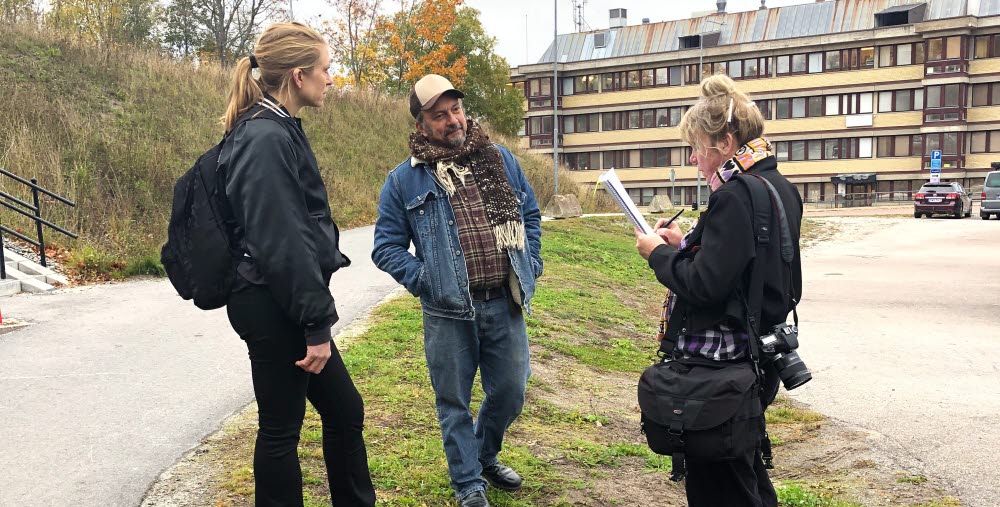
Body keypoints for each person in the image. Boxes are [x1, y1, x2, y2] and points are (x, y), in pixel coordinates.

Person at [218, 22, 376, 507]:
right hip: (272, 303)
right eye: (326, 70)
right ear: (298, 75)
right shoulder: (264, 138)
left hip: (280, 297)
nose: (331, 79)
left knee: (344, 410)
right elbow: (282, 241)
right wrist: (315, 326)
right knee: (282, 431)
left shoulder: (275, 127)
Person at [371, 74, 543, 507]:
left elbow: (531, 214)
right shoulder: (403, 181)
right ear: (422, 124)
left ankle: (485, 453)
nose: (453, 120)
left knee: (510, 391)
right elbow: (386, 247)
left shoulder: (500, 159)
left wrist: (532, 262)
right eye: (439, 115)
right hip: (448, 312)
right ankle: (468, 482)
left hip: (505, 302)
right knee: (453, 401)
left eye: (456, 110)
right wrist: (427, 280)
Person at [634, 73, 803, 507]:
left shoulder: (733, 195)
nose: (694, 159)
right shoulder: (777, 186)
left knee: (716, 485)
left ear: (725, 143)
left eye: (697, 148)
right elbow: (745, 264)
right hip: (758, 356)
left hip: (719, 367)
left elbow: (706, 286)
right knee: (742, 474)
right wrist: (687, 244)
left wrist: (657, 254)